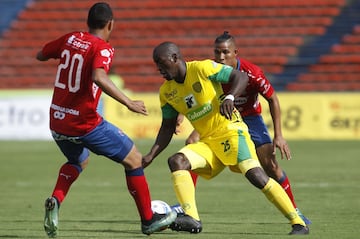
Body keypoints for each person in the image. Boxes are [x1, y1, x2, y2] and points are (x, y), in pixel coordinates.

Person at [35, 2, 176, 237]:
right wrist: (128, 102)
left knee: (79, 161)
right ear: (111, 24)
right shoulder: (103, 48)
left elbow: (41, 54)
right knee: (134, 160)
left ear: (88, 22)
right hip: (84, 123)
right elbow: (99, 76)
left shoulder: (70, 38)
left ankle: (56, 200)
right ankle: (148, 220)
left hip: (58, 121)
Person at [143, 41, 309, 235]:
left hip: (232, 132)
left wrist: (229, 97)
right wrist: (150, 155)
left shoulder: (202, 68)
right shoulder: (166, 92)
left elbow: (240, 76)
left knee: (255, 175)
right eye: (157, 65)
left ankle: (298, 222)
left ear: (174, 58)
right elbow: (167, 127)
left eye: (161, 63)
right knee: (177, 161)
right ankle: (192, 218)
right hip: (208, 143)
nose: (159, 69)